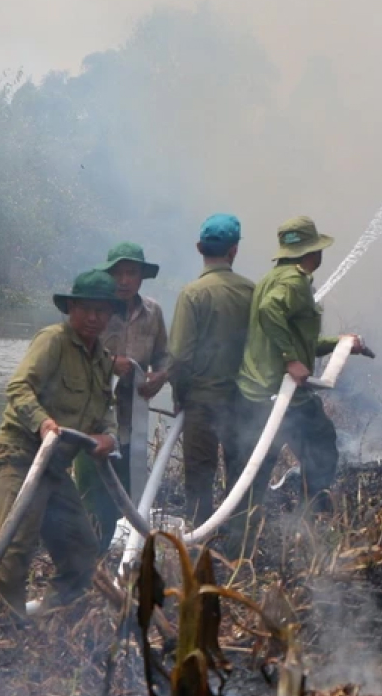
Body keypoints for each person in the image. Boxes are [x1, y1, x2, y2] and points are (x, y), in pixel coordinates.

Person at [0, 269, 122, 630]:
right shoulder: (53, 341)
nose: (94, 318)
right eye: (87, 309)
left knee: (81, 550)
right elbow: (18, 387)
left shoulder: (102, 360)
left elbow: (104, 412)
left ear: (110, 315)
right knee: (15, 544)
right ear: (71, 308)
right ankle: (3, 625)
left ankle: (54, 615)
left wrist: (108, 436)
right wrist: (43, 422)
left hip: (56, 466)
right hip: (21, 454)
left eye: (102, 311)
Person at [224, 215, 366, 551]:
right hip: (282, 397)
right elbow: (271, 315)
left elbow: (298, 341)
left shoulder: (271, 278)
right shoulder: (294, 282)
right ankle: (309, 519)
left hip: (257, 393)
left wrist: (339, 343)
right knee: (322, 448)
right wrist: (291, 359)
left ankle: (240, 547)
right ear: (313, 253)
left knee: (252, 474)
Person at [73, 241, 169, 554]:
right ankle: (88, 563)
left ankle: (117, 558)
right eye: (118, 273)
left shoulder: (153, 313)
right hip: (94, 421)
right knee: (92, 494)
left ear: (142, 277)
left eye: (132, 273)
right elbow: (73, 357)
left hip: (134, 421)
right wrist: (111, 363)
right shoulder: (93, 311)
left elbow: (163, 357)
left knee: (127, 495)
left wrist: (159, 377)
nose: (124, 280)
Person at [167, 213, 256, 526]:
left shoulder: (192, 294)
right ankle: (239, 546)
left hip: (202, 403)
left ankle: (199, 548)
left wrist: (179, 394)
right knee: (240, 476)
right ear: (234, 250)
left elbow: (179, 356)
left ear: (198, 248)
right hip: (242, 401)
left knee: (200, 480)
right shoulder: (251, 292)